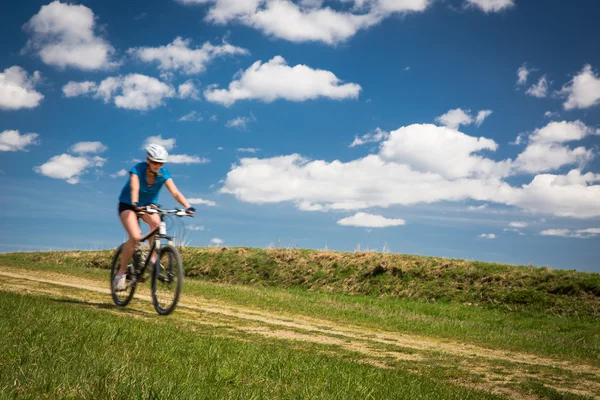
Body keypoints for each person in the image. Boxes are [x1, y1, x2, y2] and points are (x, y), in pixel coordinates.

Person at [114, 143, 195, 291]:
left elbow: (175, 192)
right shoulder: (138, 169)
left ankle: (152, 259)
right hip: (129, 204)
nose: (158, 165)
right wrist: (135, 202)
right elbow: (135, 187)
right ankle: (121, 273)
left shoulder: (164, 174)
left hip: (149, 205)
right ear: (148, 160)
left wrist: (187, 206)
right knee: (135, 237)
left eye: (161, 163)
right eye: (155, 162)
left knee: (157, 224)